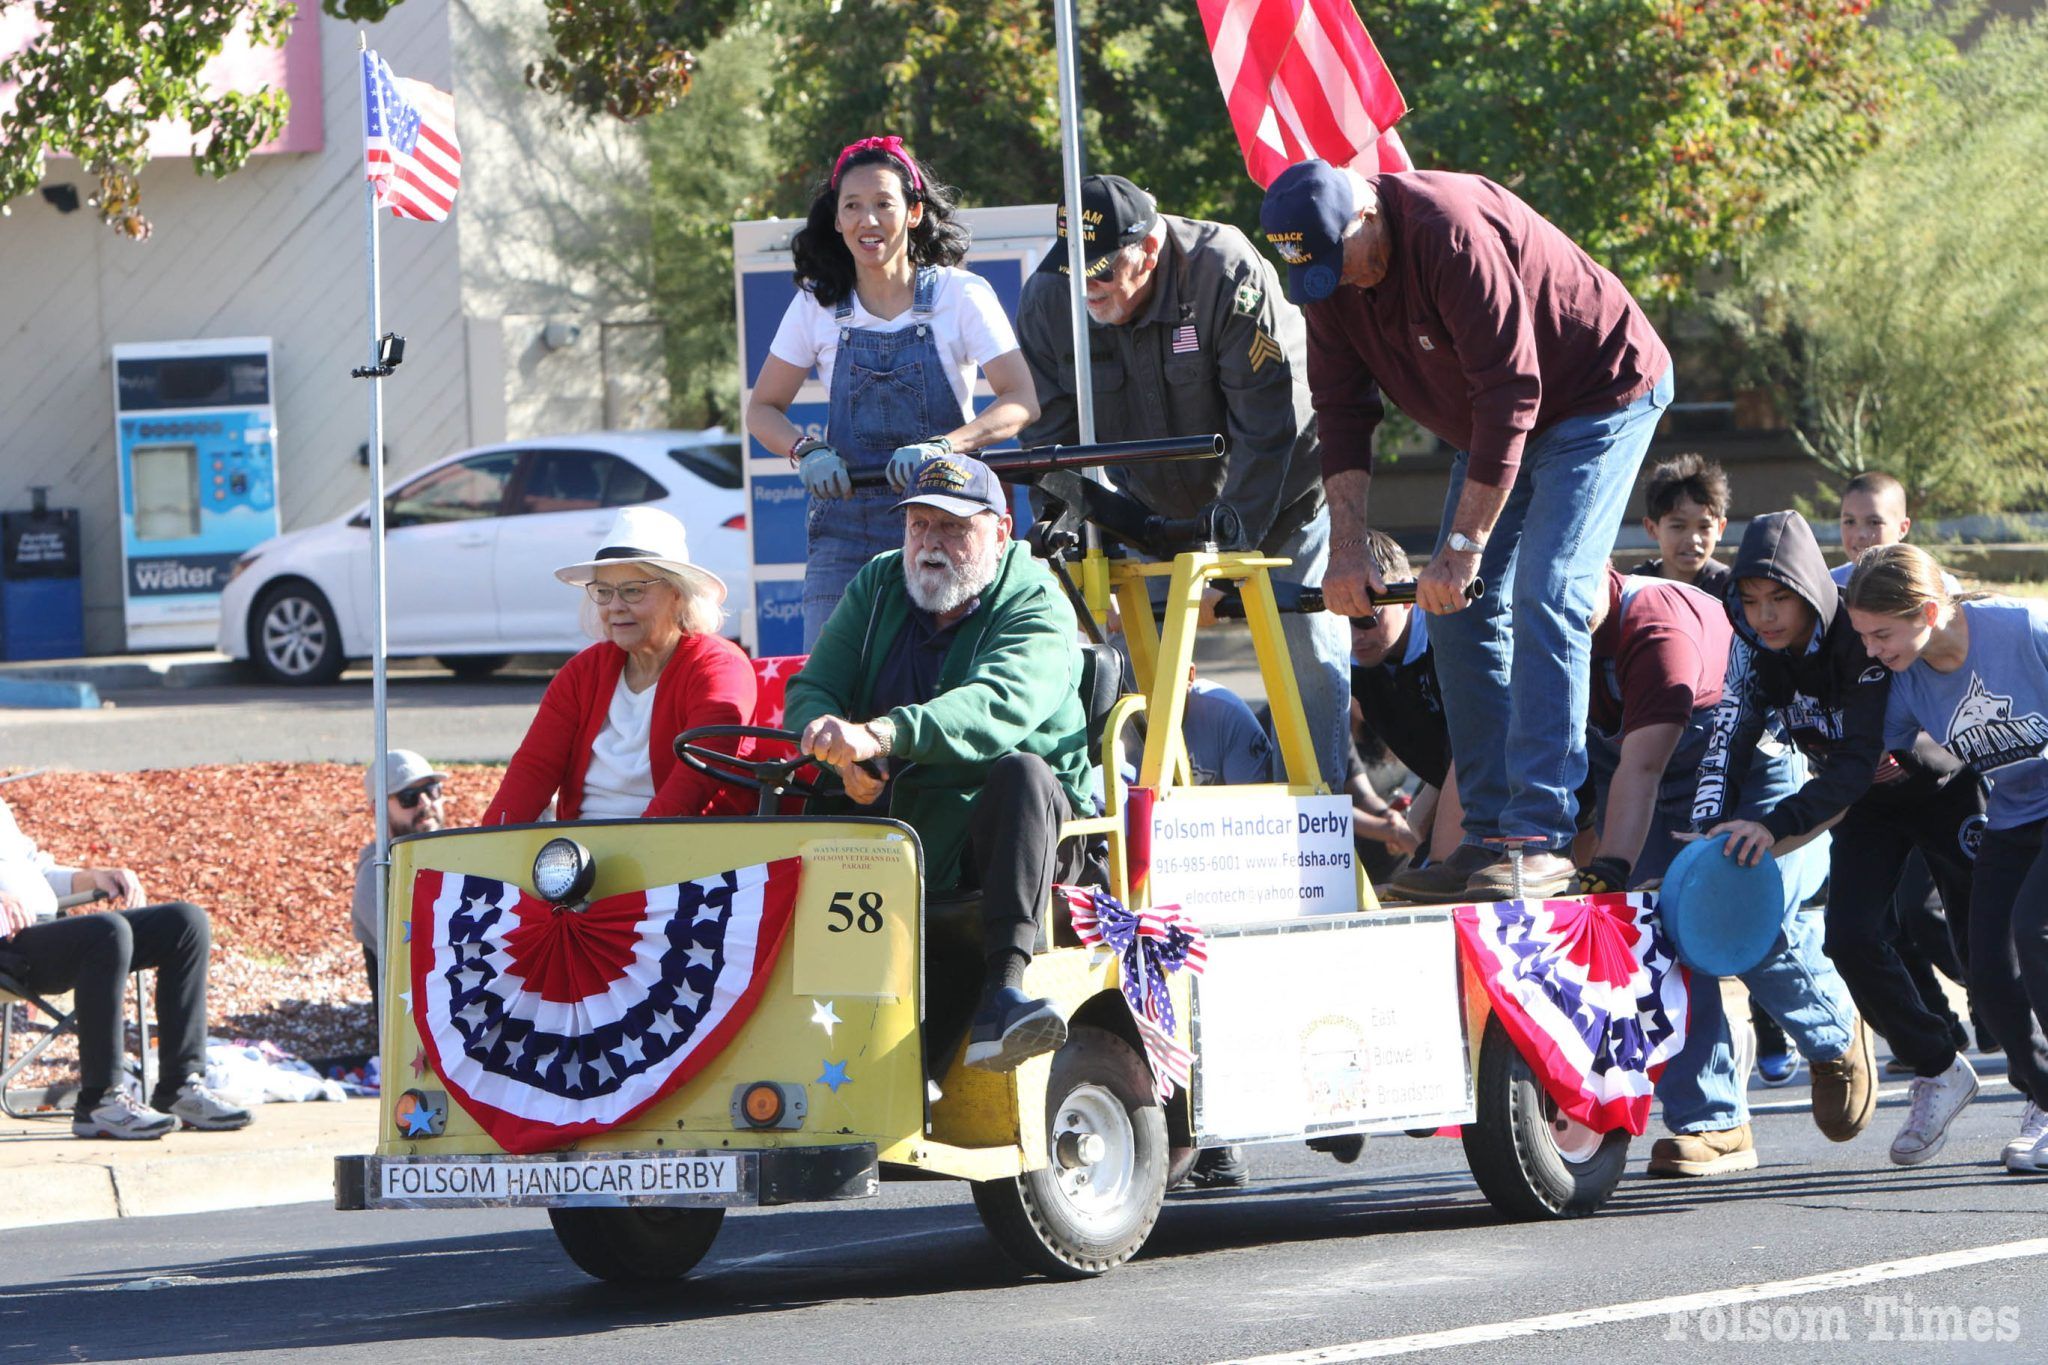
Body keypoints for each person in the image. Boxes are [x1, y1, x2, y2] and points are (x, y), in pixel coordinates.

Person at [1260, 160, 1672, 899]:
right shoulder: (1326, 273)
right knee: (1455, 614)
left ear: (1365, 216)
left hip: (1597, 395)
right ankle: (1486, 835)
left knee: (1549, 591)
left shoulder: (1448, 231)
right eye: (1313, 272)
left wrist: (1461, 545)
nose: (1336, 283)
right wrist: (1347, 547)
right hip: (1497, 422)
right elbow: (1343, 414)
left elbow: (1513, 390)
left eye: (1338, 262)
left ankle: (1539, 837)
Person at [1017, 173, 1349, 791]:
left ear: (1147, 249)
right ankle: (1161, 844)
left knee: (1309, 671)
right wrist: (1077, 542)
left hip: (1281, 501)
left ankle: (1315, 837)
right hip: (1154, 514)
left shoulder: (1223, 270)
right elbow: (1049, 446)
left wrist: (1227, 553)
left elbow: (1268, 427)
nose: (1087, 288)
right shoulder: (1050, 297)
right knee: (1134, 690)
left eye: (1103, 272)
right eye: (1076, 270)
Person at [784, 455, 1092, 1075]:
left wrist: (882, 734)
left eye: (953, 528)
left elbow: (996, 706)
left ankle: (1005, 992)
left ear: (1001, 531)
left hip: (1018, 841)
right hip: (902, 832)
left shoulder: (1038, 600)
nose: (930, 544)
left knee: (1022, 773)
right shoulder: (877, 582)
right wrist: (832, 749)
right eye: (919, 525)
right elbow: (810, 689)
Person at [1567, 565, 1869, 1176]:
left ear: (1598, 570)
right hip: (1635, 771)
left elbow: (1644, 769)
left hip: (1741, 761)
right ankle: (1714, 1122)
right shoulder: (1544, 635)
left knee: (1733, 916)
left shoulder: (1657, 631)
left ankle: (1835, 1031)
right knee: (1658, 931)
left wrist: (1609, 869)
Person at [744, 135, 1039, 648]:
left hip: (948, 526)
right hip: (846, 533)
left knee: (943, 686)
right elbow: (762, 409)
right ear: (836, 221)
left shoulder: (961, 294)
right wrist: (805, 450)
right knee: (829, 688)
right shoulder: (816, 305)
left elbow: (1020, 401)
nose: (868, 220)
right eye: (853, 206)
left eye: (884, 204)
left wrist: (946, 446)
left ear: (915, 213)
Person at [1845, 545, 2048, 1172]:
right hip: (2014, 816)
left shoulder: (2023, 629)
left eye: (1882, 633)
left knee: (2032, 928)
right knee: (1985, 971)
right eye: (1863, 637)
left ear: (1930, 610)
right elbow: (1861, 767)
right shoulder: (1906, 684)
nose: (1873, 649)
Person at [1830, 471, 1978, 1073]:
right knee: (1868, 929)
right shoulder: (1826, 593)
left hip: (1942, 782)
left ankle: (2004, 1018)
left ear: (1904, 529)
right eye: (1848, 521)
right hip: (1868, 789)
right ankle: (1937, 1044)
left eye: (1875, 522)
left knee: (1942, 918)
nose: (1861, 535)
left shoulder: (1935, 592)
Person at [482, 506, 757, 824]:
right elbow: (534, 767)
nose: (615, 606)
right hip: (576, 853)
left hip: (681, 849)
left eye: (632, 591)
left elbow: (697, 780)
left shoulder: (719, 668)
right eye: (604, 591)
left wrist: (637, 846)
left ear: (678, 594)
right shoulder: (582, 672)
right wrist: (487, 848)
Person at [0, 795, 251, 1139]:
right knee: (107, 932)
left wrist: (97, 877)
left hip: (43, 931)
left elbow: (39, 873)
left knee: (184, 923)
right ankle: (100, 1102)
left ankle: (180, 1087)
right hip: (8, 947)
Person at [1347, 531, 1454, 875]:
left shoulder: (1449, 640)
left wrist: (1434, 858)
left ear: (1408, 597)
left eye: (1367, 618)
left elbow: (1476, 754)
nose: (1355, 636)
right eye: (1341, 619)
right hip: (1458, 784)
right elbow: (1447, 769)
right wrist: (1416, 837)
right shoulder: (1358, 662)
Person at [352, 750, 449, 1016]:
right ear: (377, 809)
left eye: (432, 790)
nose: (425, 803)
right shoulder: (377, 874)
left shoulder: (457, 853)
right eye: (408, 798)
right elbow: (424, 954)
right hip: (413, 1034)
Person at [1632, 452, 1733, 599]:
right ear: (1652, 528)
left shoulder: (1731, 590)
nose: (1693, 539)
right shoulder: (1637, 588)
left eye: (1704, 527)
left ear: (1720, 527)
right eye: (1678, 526)